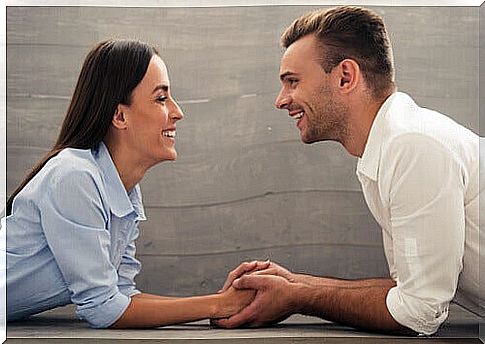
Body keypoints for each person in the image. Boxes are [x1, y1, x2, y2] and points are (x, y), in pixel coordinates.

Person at [215, 6, 484, 336]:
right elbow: (409, 290)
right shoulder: (392, 146)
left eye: (292, 82)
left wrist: (299, 296)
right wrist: (293, 283)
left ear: (345, 76)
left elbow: (419, 312)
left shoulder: (411, 145)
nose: (280, 100)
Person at [3, 39, 258, 329]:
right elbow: (103, 309)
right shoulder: (74, 177)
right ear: (120, 116)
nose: (177, 112)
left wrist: (221, 301)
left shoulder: (124, 188)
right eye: (161, 98)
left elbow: (121, 296)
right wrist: (220, 304)